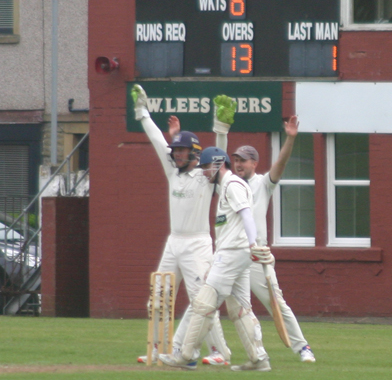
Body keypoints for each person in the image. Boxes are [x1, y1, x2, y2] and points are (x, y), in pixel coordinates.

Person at [172, 96, 316, 363]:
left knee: (276, 303)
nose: (239, 164)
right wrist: (219, 129)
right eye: (236, 160)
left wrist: (291, 139)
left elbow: (281, 165)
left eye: (245, 161)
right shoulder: (224, 182)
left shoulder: (262, 183)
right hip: (233, 252)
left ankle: (303, 348)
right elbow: (213, 157)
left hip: (255, 255)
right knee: (215, 302)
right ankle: (207, 352)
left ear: (254, 164)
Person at [131, 84, 229, 366]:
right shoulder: (173, 172)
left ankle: (217, 351)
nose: (175, 154)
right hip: (174, 242)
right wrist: (142, 113)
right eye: (175, 150)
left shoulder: (205, 176)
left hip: (198, 244)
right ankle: (157, 349)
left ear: (195, 153)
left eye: (182, 151)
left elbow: (220, 155)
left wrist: (221, 126)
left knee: (202, 301)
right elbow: (156, 140)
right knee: (159, 297)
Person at [159, 146, 273, 371]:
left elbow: (247, 215)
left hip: (234, 254)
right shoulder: (226, 188)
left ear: (218, 164)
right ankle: (259, 359)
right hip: (234, 254)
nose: (203, 172)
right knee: (239, 308)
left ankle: (186, 355)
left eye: (205, 167)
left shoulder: (232, 185)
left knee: (203, 303)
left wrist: (253, 243)